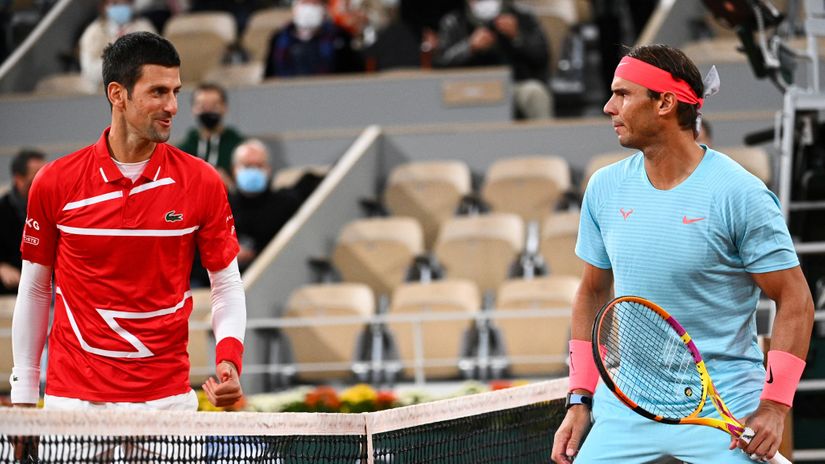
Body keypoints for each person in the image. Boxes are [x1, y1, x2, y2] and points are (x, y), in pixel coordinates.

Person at [551, 44, 814, 463]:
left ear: (665, 103)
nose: (607, 107)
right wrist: (580, 399)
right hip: (629, 401)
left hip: (725, 403)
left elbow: (796, 299)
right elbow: (591, 292)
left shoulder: (740, 193)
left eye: (622, 94)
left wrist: (774, 406)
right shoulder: (603, 188)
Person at [10, 32, 246, 447]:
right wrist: (25, 397)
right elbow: (34, 289)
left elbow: (225, 283)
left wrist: (229, 358)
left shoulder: (202, 182)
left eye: (175, 91)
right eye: (157, 92)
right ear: (117, 94)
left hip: (168, 403)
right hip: (73, 405)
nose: (172, 106)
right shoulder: (55, 182)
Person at [434, 0, 552, 119]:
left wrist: (517, 37)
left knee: (535, 92)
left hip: (514, 84)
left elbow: (541, 56)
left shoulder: (523, 16)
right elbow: (441, 64)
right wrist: (469, 48)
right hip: (469, 88)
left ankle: (546, 136)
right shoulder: (453, 21)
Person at [229, 139, 302, 273]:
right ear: (234, 169)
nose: (253, 171)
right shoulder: (220, 206)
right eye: (247, 165)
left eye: (259, 166)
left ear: (268, 169)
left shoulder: (286, 204)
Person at [263, 0, 364, 78]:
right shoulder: (280, 39)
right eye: (305, 2)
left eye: (315, 3)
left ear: (323, 8)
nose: (309, 8)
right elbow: (270, 76)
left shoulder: (339, 37)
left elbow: (354, 73)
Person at [176, 82, 243, 188]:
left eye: (214, 106)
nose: (208, 111)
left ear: (225, 107)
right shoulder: (183, 151)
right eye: (202, 106)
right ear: (193, 109)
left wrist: (230, 185)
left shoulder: (239, 147)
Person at [79, 0, 156, 89]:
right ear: (105, 6)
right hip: (102, 93)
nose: (120, 7)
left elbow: (157, 62)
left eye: (125, 3)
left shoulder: (144, 28)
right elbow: (90, 73)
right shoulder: (94, 33)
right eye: (115, 3)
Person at [0, 149, 46, 295]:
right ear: (19, 178)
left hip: (48, 286)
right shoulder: (3, 209)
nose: (44, 180)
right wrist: (1, 267)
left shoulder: (52, 207)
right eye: (36, 175)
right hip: (15, 288)